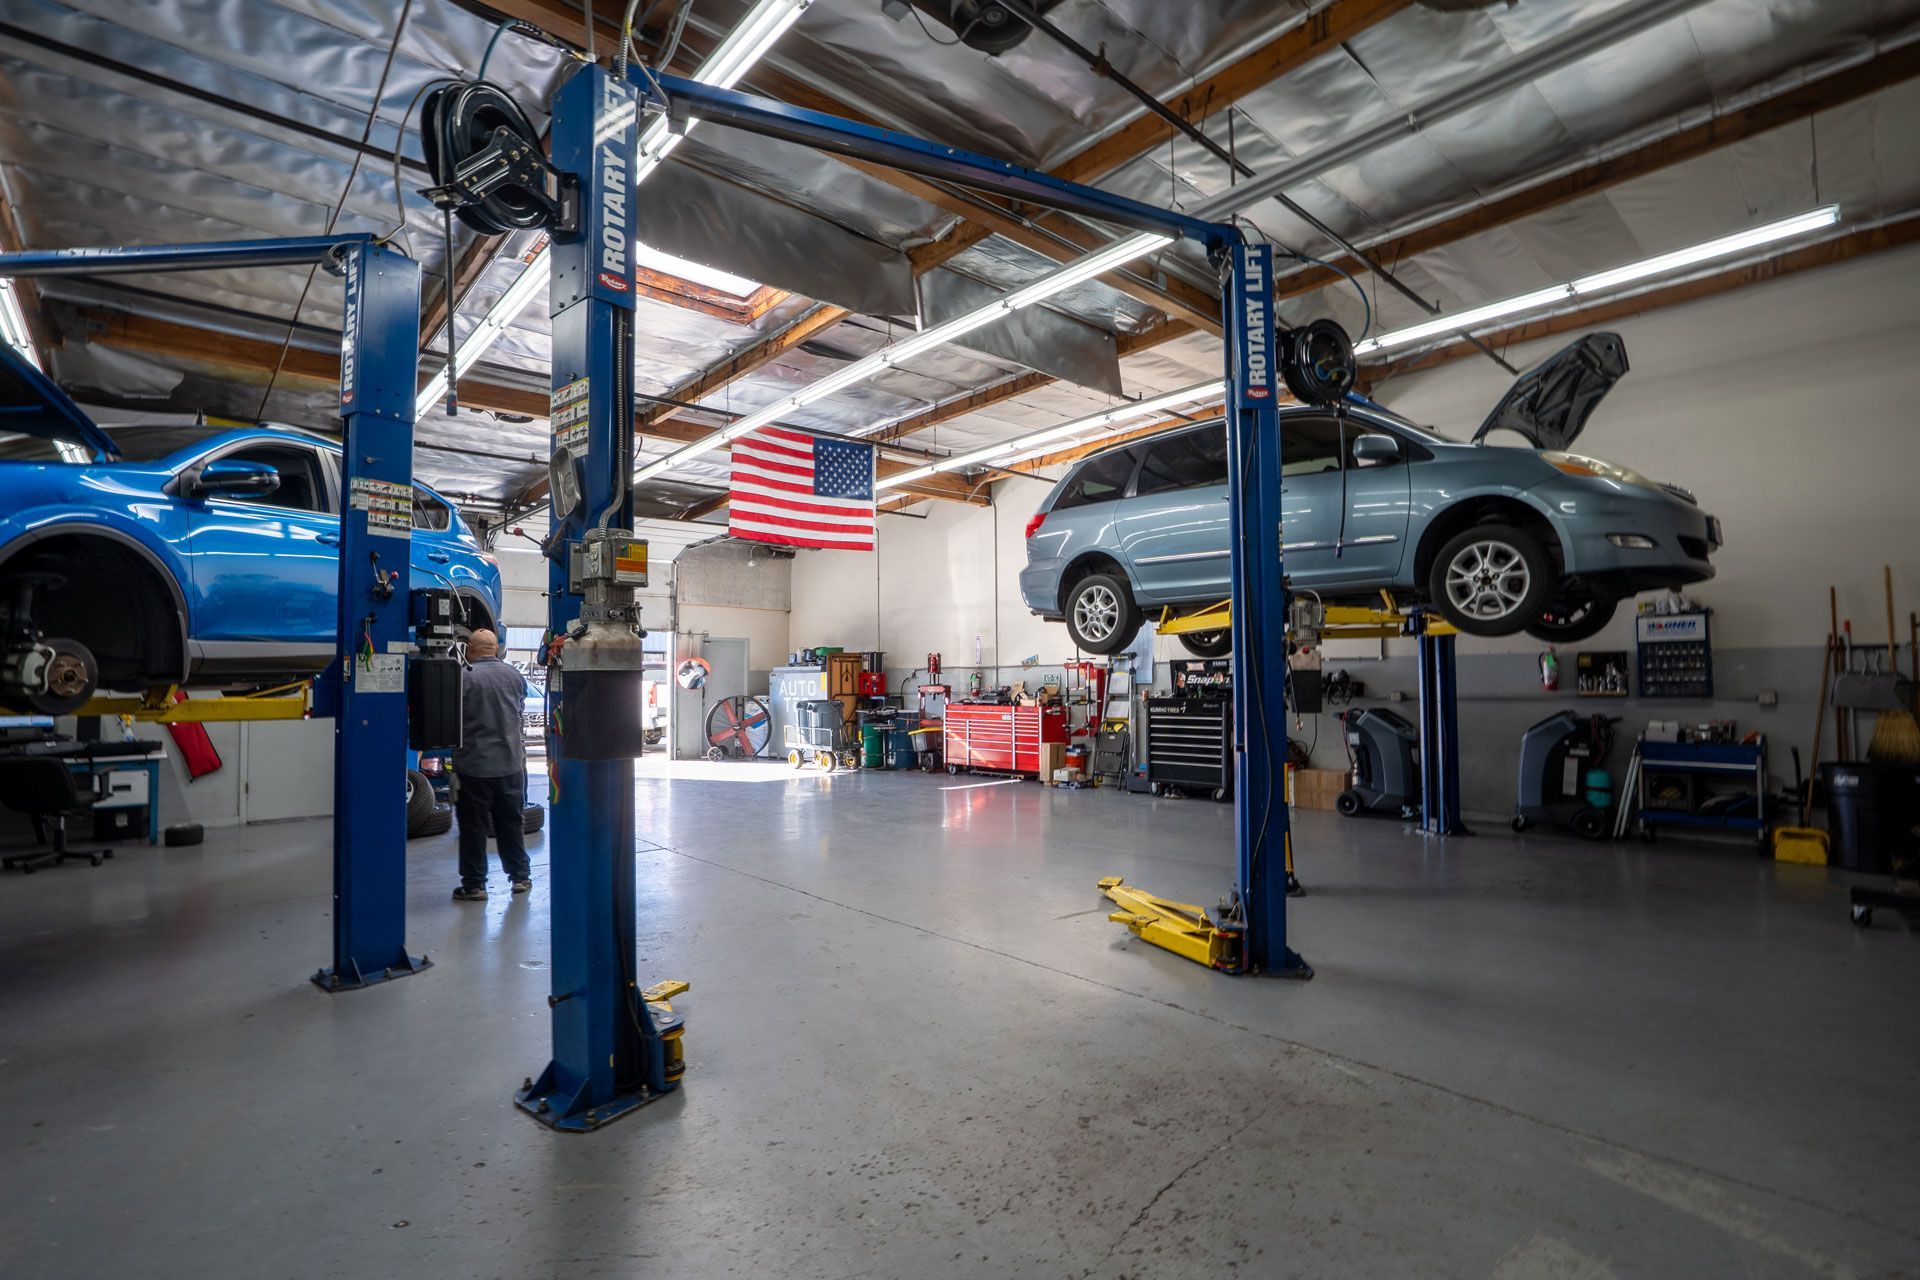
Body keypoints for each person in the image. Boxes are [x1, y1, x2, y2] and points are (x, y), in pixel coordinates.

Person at [452, 628, 532, 901]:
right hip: (510, 766)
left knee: (473, 827)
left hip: (473, 767)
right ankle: (520, 877)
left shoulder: (463, 678)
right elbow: (518, 712)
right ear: (495, 649)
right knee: (511, 823)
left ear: (470, 651)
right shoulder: (515, 676)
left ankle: (474, 885)